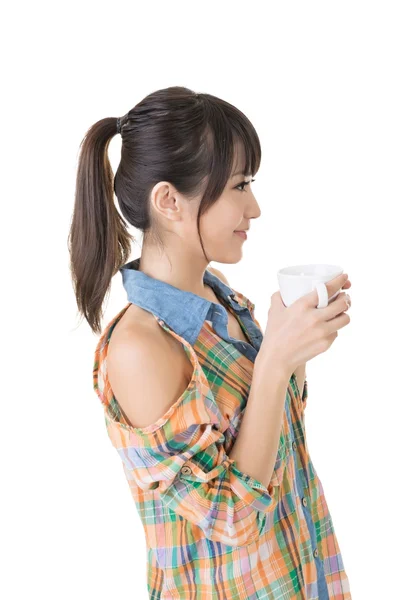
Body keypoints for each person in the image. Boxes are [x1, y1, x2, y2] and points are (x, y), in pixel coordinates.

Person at [68, 86, 353, 599]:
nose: (256, 207)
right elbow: (234, 518)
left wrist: (295, 342)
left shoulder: (224, 300)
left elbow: (279, 448)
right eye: (240, 185)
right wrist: (274, 362)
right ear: (169, 201)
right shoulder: (139, 347)